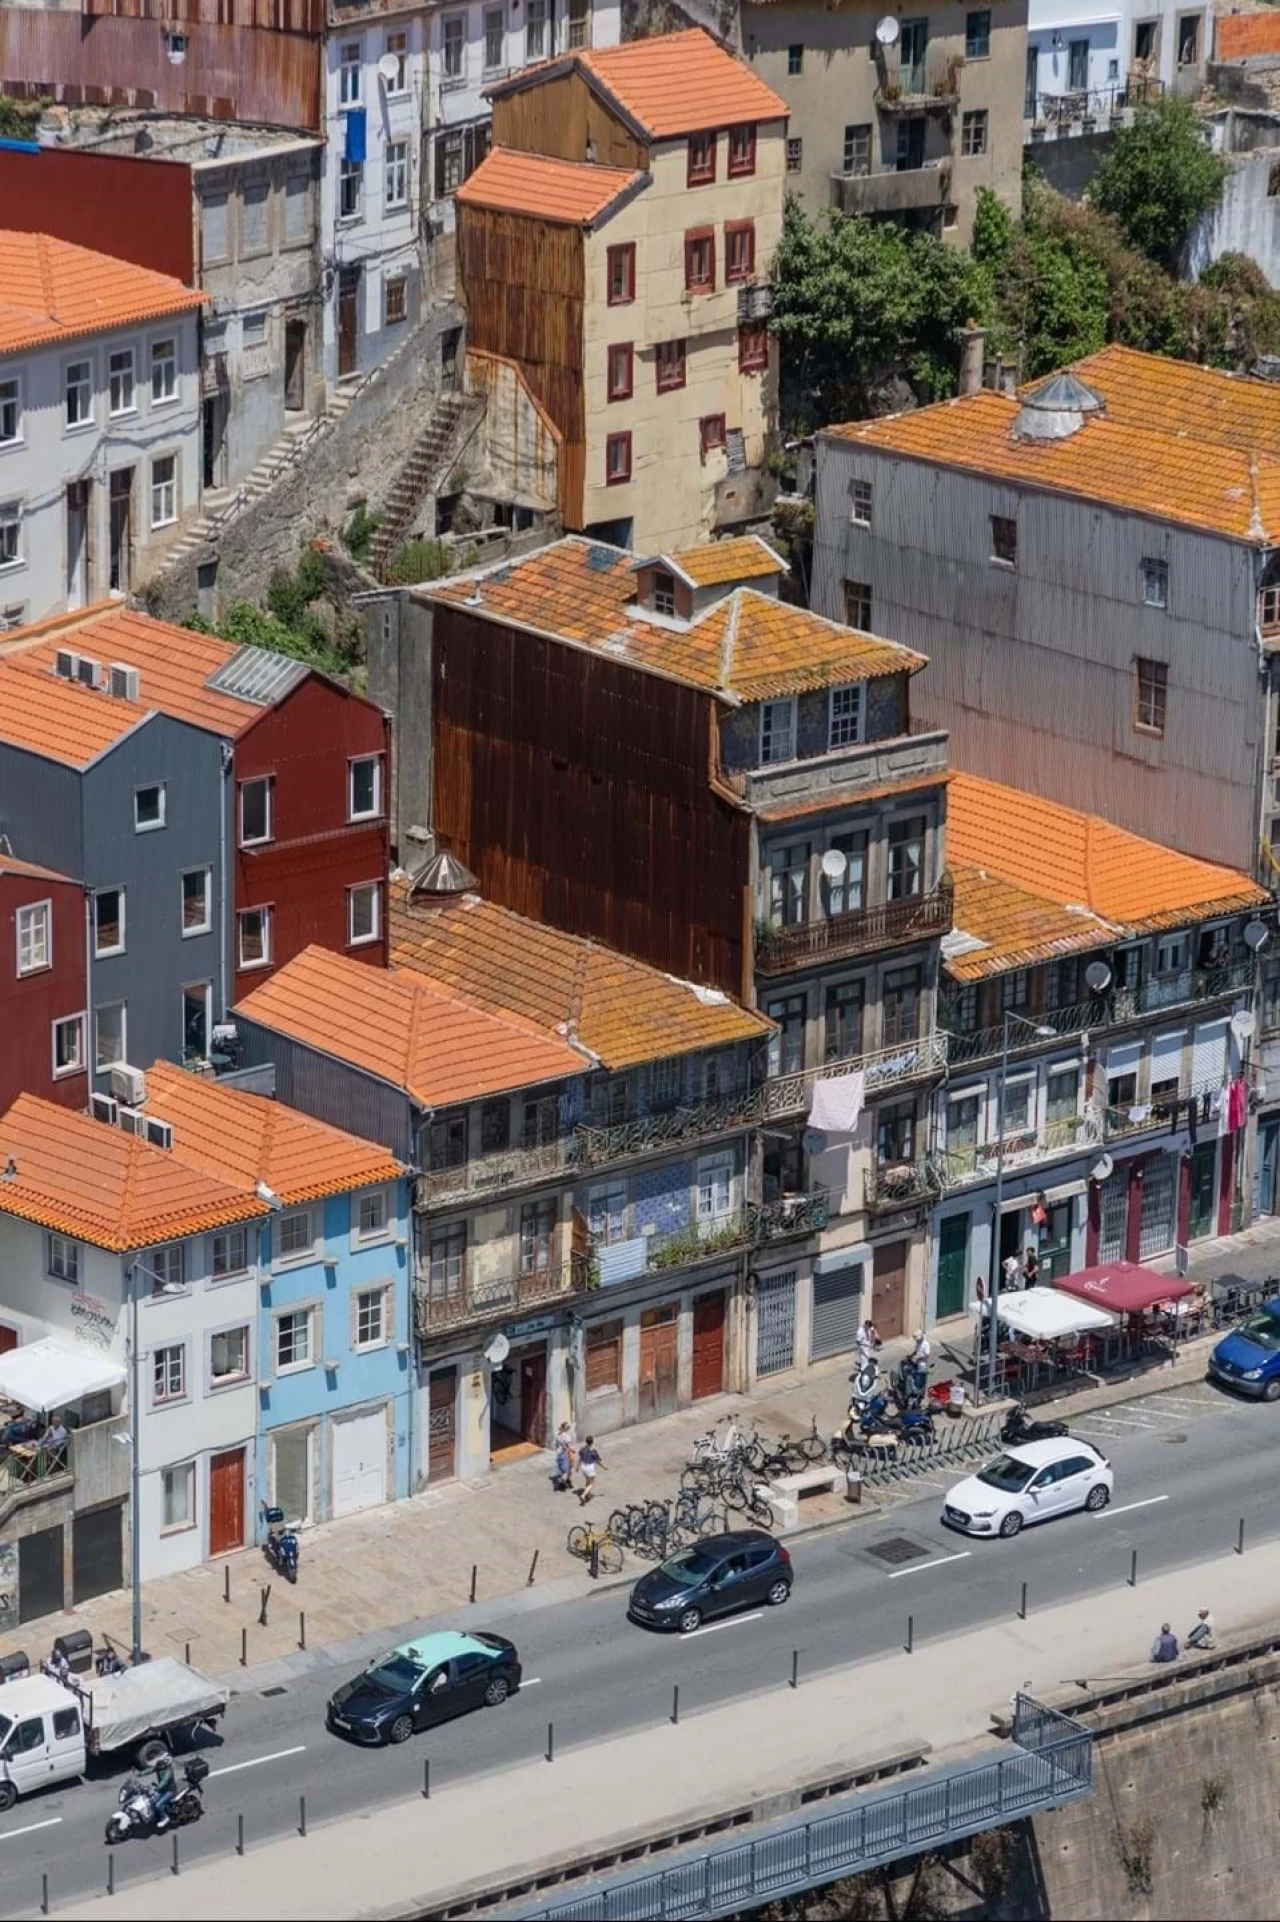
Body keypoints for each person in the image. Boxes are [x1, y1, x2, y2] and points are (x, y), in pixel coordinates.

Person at [577, 1435, 604, 1506]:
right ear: (592, 1442)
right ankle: (583, 1495)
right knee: (592, 1483)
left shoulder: (582, 1449)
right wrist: (604, 1467)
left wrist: (577, 1467)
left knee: (587, 1481)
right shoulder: (593, 1451)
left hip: (583, 1467)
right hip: (590, 1468)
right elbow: (598, 1461)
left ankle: (588, 1495)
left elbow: (580, 1458)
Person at [552, 1424, 574, 1493]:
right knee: (569, 1468)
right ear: (565, 1428)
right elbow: (570, 1447)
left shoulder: (557, 1435)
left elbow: (555, 1445)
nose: (569, 1428)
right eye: (568, 1427)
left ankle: (563, 1482)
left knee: (561, 1469)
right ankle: (566, 1482)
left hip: (559, 1454)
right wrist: (573, 1451)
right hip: (566, 1454)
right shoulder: (566, 1436)